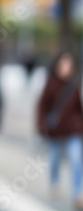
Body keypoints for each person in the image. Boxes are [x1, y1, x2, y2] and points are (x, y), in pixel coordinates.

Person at [37, 51, 83, 208]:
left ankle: (78, 193)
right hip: (56, 130)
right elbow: (42, 107)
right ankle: (54, 182)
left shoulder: (74, 84)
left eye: (69, 64)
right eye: (63, 64)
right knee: (54, 159)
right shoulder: (51, 83)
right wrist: (41, 126)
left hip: (74, 130)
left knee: (76, 160)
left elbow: (78, 108)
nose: (66, 68)